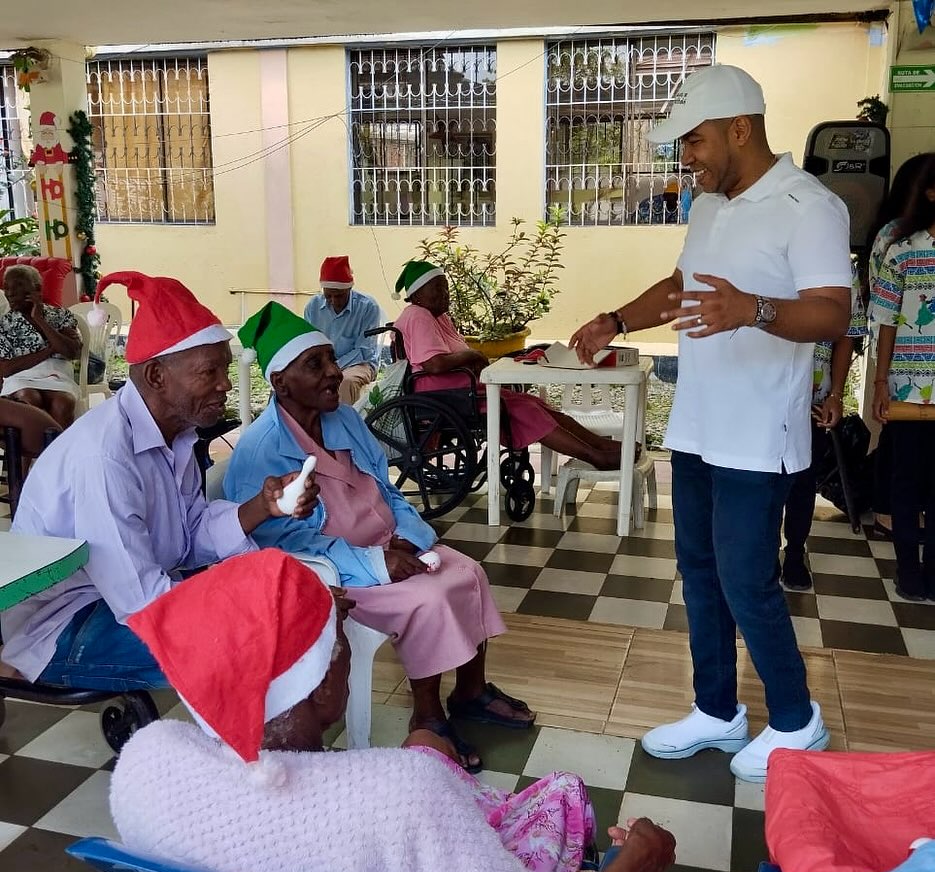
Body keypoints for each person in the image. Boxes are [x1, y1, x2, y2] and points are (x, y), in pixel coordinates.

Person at [110, 548, 677, 872]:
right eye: (340, 647)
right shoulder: (402, 798)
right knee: (517, 785)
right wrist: (632, 864)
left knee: (428, 743)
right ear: (326, 687)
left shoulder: (148, 763)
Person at [569, 65, 852, 782]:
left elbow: (831, 311)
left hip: (758, 437)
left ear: (739, 128)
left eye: (692, 141)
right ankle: (716, 710)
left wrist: (753, 308)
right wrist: (615, 318)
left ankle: (795, 719)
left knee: (745, 581)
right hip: (696, 427)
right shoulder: (706, 205)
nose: (684, 156)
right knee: (697, 574)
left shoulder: (806, 205)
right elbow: (679, 287)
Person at [224, 301, 534, 773]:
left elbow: (389, 489)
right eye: (317, 365)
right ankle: (427, 718)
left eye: (332, 359)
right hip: (337, 578)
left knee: (467, 571)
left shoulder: (344, 419)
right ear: (280, 383)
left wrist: (408, 537)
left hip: (390, 547)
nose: (334, 372)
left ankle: (470, 691)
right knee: (428, 598)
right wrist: (374, 562)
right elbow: (279, 547)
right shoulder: (261, 452)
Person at [0, 272, 318, 690]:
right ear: (156, 377)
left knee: (292, 601)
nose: (225, 385)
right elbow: (141, 600)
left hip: (124, 598)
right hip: (63, 622)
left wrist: (262, 506)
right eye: (209, 373)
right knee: (262, 640)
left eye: (224, 369)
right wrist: (252, 613)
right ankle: (253, 753)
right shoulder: (105, 455)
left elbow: (187, 537)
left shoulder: (177, 437)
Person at [392, 260, 624, 470]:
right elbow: (434, 363)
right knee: (527, 409)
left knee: (536, 404)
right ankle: (594, 456)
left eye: (446, 288)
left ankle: (600, 445)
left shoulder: (437, 316)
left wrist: (474, 359)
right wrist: (474, 356)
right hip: (443, 394)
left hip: (461, 388)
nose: (446, 294)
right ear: (418, 295)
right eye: (438, 289)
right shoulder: (417, 315)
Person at [870, 155, 935, 602]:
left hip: (915, 390)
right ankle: (910, 573)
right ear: (931, 194)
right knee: (909, 484)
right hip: (911, 390)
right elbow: (886, 322)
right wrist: (879, 384)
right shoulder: (903, 250)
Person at [780, 263, 867, 591]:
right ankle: (762, 554)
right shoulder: (767, 249)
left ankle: (794, 554)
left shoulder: (840, 267)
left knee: (802, 482)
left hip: (812, 398)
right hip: (763, 398)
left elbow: (847, 333)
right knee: (762, 482)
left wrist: (835, 394)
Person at [0, 264, 82, 428]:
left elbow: (72, 353)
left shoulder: (60, 315)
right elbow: (6, 369)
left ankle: (59, 452)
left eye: (19, 285)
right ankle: (30, 452)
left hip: (57, 376)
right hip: (20, 378)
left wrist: (39, 319)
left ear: (37, 289)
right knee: (29, 398)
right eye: (7, 287)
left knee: (63, 402)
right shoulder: (4, 324)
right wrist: (51, 349)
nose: (10, 292)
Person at [304, 256, 381, 405]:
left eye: (339, 296)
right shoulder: (313, 306)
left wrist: (333, 368)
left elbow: (364, 350)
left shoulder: (368, 307)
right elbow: (308, 343)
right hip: (324, 363)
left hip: (360, 364)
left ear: (349, 289)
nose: (333, 301)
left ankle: (343, 427)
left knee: (345, 382)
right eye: (328, 296)